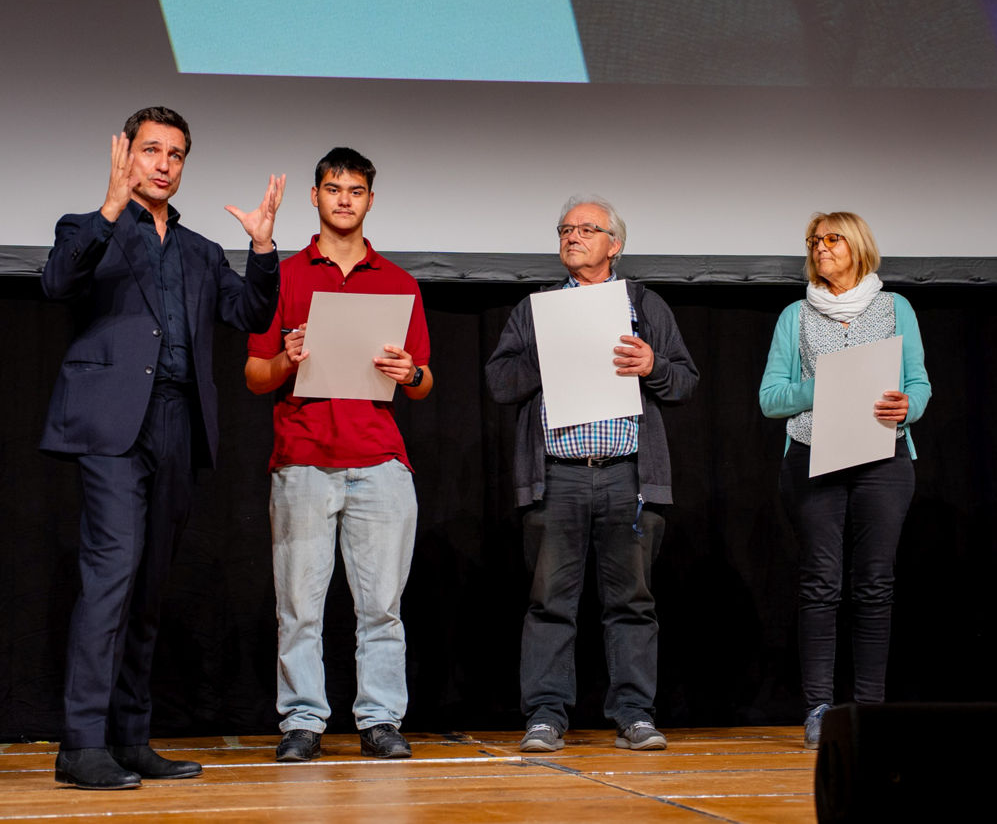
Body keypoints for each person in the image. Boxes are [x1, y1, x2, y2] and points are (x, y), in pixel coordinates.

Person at [41, 106, 283, 789]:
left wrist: (263, 252)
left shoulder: (202, 250)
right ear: (126, 155)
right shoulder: (90, 230)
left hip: (179, 422)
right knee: (111, 576)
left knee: (149, 588)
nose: (165, 164)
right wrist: (110, 209)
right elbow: (56, 284)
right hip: (113, 426)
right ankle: (81, 743)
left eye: (176, 154)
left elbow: (252, 315)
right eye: (152, 150)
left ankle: (130, 736)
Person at [485, 196, 698, 752]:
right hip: (557, 477)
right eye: (565, 229)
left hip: (629, 477)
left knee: (632, 602)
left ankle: (634, 714)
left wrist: (652, 365)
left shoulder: (644, 305)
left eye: (586, 229)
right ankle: (545, 716)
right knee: (550, 602)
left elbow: (685, 382)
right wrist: (548, 353)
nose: (572, 236)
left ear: (615, 244)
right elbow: (500, 383)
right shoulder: (536, 310)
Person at [244, 147, 433, 762]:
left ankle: (379, 719)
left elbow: (426, 380)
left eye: (355, 189)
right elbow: (254, 373)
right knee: (299, 605)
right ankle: (302, 720)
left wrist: (411, 373)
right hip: (302, 458)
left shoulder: (398, 283)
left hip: (379, 460)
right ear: (315, 196)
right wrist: (287, 360)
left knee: (382, 606)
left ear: (370, 200)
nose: (344, 198)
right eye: (333, 188)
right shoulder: (286, 275)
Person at [758, 211, 931, 749]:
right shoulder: (795, 316)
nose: (821, 248)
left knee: (876, 584)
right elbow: (770, 398)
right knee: (820, 585)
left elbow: (920, 384)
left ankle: (870, 708)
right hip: (813, 458)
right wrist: (821, 386)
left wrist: (910, 407)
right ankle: (819, 709)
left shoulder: (896, 307)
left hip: (883, 458)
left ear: (857, 245)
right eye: (814, 241)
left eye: (832, 239)